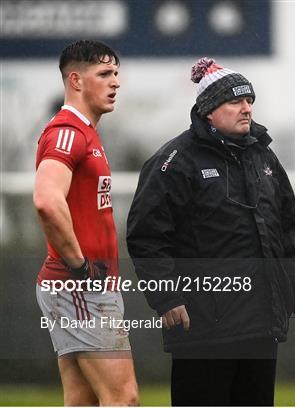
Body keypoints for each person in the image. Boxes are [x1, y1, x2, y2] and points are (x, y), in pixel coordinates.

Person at [126, 57, 295, 406]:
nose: (246, 109)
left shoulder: (264, 158)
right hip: (202, 324)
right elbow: (146, 236)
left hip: (261, 321)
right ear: (209, 110)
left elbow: (287, 226)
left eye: (249, 101)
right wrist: (167, 298)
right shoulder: (174, 160)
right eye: (235, 101)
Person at [33, 40, 139, 406]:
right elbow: (47, 201)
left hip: (81, 286)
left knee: (83, 401)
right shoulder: (68, 132)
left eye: (116, 74)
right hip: (80, 287)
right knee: (123, 399)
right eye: (105, 74)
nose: (116, 82)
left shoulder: (86, 133)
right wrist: (79, 266)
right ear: (76, 81)